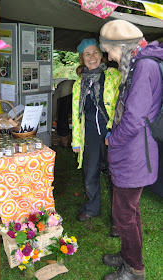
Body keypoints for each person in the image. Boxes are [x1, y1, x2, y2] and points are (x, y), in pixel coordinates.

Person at [99, 20, 163, 280]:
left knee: (124, 215)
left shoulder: (145, 66)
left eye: (110, 51)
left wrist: (112, 140)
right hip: (132, 151)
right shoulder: (139, 63)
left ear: (122, 47)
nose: (109, 57)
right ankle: (128, 255)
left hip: (135, 152)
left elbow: (135, 119)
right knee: (128, 211)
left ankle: (135, 269)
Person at [71, 38, 122, 228]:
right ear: (82, 59)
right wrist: (76, 140)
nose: (92, 57)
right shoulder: (78, 84)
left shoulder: (113, 76)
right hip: (90, 134)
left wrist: (113, 129)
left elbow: (120, 105)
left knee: (115, 175)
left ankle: (118, 218)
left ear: (101, 55)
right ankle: (92, 207)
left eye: (95, 52)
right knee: (90, 173)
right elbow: (77, 113)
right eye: (87, 54)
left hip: (112, 133)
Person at [52, 79, 75, 147]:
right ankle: (73, 141)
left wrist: (54, 117)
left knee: (62, 119)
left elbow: (54, 104)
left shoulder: (60, 89)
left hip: (65, 96)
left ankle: (64, 143)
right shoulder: (70, 83)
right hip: (75, 93)